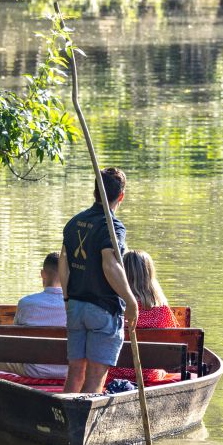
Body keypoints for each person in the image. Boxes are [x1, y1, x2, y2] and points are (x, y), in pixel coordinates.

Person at [57, 167, 138, 394]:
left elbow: (64, 262)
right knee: (94, 376)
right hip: (103, 309)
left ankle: (67, 421)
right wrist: (130, 302)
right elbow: (109, 264)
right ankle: (83, 424)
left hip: (75, 306)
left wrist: (66, 298)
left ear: (94, 192)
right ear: (121, 196)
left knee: (75, 372)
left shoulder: (74, 222)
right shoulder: (112, 227)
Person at [109, 249, 177, 385]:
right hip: (148, 375)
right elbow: (172, 345)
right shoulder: (161, 310)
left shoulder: (112, 306)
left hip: (113, 372)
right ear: (149, 275)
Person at [0, 251, 67, 380]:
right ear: (67, 275)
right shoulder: (76, 305)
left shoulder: (26, 303)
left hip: (33, 370)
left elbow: (14, 338)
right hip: (70, 371)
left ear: (42, 274)